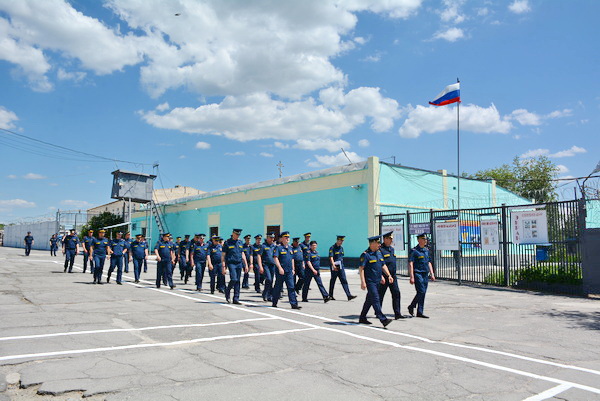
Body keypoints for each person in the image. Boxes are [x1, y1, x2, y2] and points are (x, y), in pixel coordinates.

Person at [358, 235, 393, 327]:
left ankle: (362, 317)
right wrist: (363, 282)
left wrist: (387, 275)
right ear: (372, 243)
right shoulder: (365, 255)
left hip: (377, 281)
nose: (379, 245)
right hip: (370, 281)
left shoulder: (378, 253)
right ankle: (383, 319)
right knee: (376, 299)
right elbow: (361, 269)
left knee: (369, 300)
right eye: (377, 243)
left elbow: (382, 265)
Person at [379, 231, 406, 319]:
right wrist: (381, 275)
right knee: (380, 295)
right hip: (384, 276)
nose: (391, 240)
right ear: (385, 239)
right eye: (390, 238)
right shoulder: (380, 250)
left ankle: (397, 313)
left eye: (391, 239)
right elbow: (379, 264)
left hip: (393, 276)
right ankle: (378, 312)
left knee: (396, 293)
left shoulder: (392, 249)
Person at [408, 233, 436, 318]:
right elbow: (411, 263)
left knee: (423, 293)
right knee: (421, 291)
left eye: (426, 239)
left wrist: (432, 273)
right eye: (423, 239)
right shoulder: (414, 251)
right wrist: (411, 276)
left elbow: (429, 262)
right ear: (419, 240)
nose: (425, 241)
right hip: (417, 273)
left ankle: (419, 311)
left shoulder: (426, 250)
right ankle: (412, 306)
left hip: (425, 273)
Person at [271, 231, 301, 309]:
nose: (287, 239)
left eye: (288, 237)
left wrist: (293, 269)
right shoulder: (278, 247)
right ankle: (274, 302)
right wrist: (280, 268)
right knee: (278, 287)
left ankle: (294, 304)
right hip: (281, 271)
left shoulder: (290, 248)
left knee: (291, 287)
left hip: (289, 271)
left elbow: (292, 259)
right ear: (282, 239)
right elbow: (275, 258)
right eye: (286, 237)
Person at [222, 229, 249, 304]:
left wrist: (246, 264)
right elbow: (223, 255)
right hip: (231, 263)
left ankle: (236, 298)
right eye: (236, 234)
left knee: (237, 281)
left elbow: (242, 253)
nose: (237, 236)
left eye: (239, 235)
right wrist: (223, 267)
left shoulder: (240, 242)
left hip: (239, 263)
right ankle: (227, 291)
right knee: (233, 279)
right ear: (233, 233)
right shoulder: (227, 242)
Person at [328, 235, 356, 301]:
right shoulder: (332, 248)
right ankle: (330, 295)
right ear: (337, 240)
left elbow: (341, 257)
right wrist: (333, 265)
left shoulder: (341, 248)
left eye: (342, 241)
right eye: (340, 241)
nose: (341, 242)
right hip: (334, 266)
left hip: (341, 266)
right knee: (333, 280)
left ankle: (348, 295)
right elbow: (331, 257)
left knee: (344, 280)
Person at [261, 233, 277, 302]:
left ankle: (269, 296)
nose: (272, 239)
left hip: (273, 265)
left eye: (273, 238)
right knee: (268, 279)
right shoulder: (263, 246)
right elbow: (259, 256)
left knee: (271, 281)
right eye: (271, 238)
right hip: (266, 264)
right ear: (267, 238)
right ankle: (265, 293)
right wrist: (260, 266)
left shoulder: (274, 246)